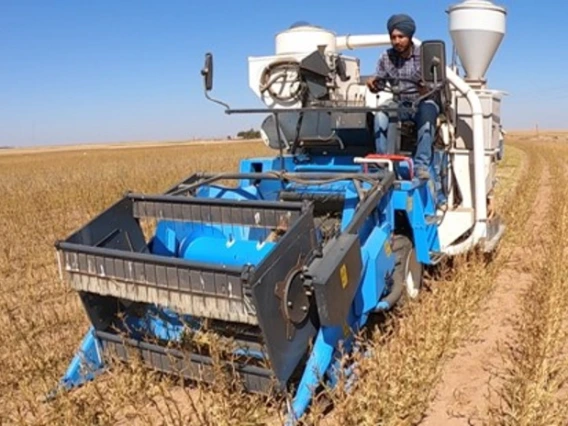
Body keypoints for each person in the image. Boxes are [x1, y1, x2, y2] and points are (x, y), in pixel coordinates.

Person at [366, 13, 440, 182]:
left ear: (410, 36)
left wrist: (426, 89)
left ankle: (420, 166)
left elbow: (436, 85)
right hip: (399, 103)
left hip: (422, 100)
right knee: (381, 115)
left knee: (428, 111)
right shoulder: (386, 57)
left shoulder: (425, 55)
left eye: (401, 37)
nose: (397, 41)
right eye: (393, 37)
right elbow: (379, 80)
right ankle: (384, 164)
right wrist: (373, 84)